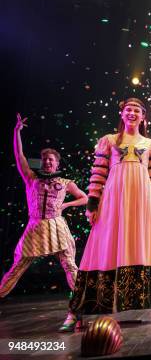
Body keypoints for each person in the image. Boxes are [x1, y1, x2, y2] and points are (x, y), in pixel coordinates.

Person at [60, 98, 151, 332]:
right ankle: (76, 311)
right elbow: (98, 173)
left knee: (149, 248)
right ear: (122, 114)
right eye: (128, 110)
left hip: (142, 201)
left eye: (137, 110)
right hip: (114, 200)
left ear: (143, 116)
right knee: (100, 246)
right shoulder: (109, 140)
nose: (132, 113)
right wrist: (92, 204)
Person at [0, 114, 87, 298]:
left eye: (51, 160)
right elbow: (19, 156)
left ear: (57, 163)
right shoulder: (32, 179)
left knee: (70, 265)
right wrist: (17, 132)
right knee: (17, 266)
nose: (47, 162)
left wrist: (65, 205)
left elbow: (84, 198)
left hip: (57, 226)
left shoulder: (65, 182)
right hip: (35, 226)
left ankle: (82, 301)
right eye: (45, 159)